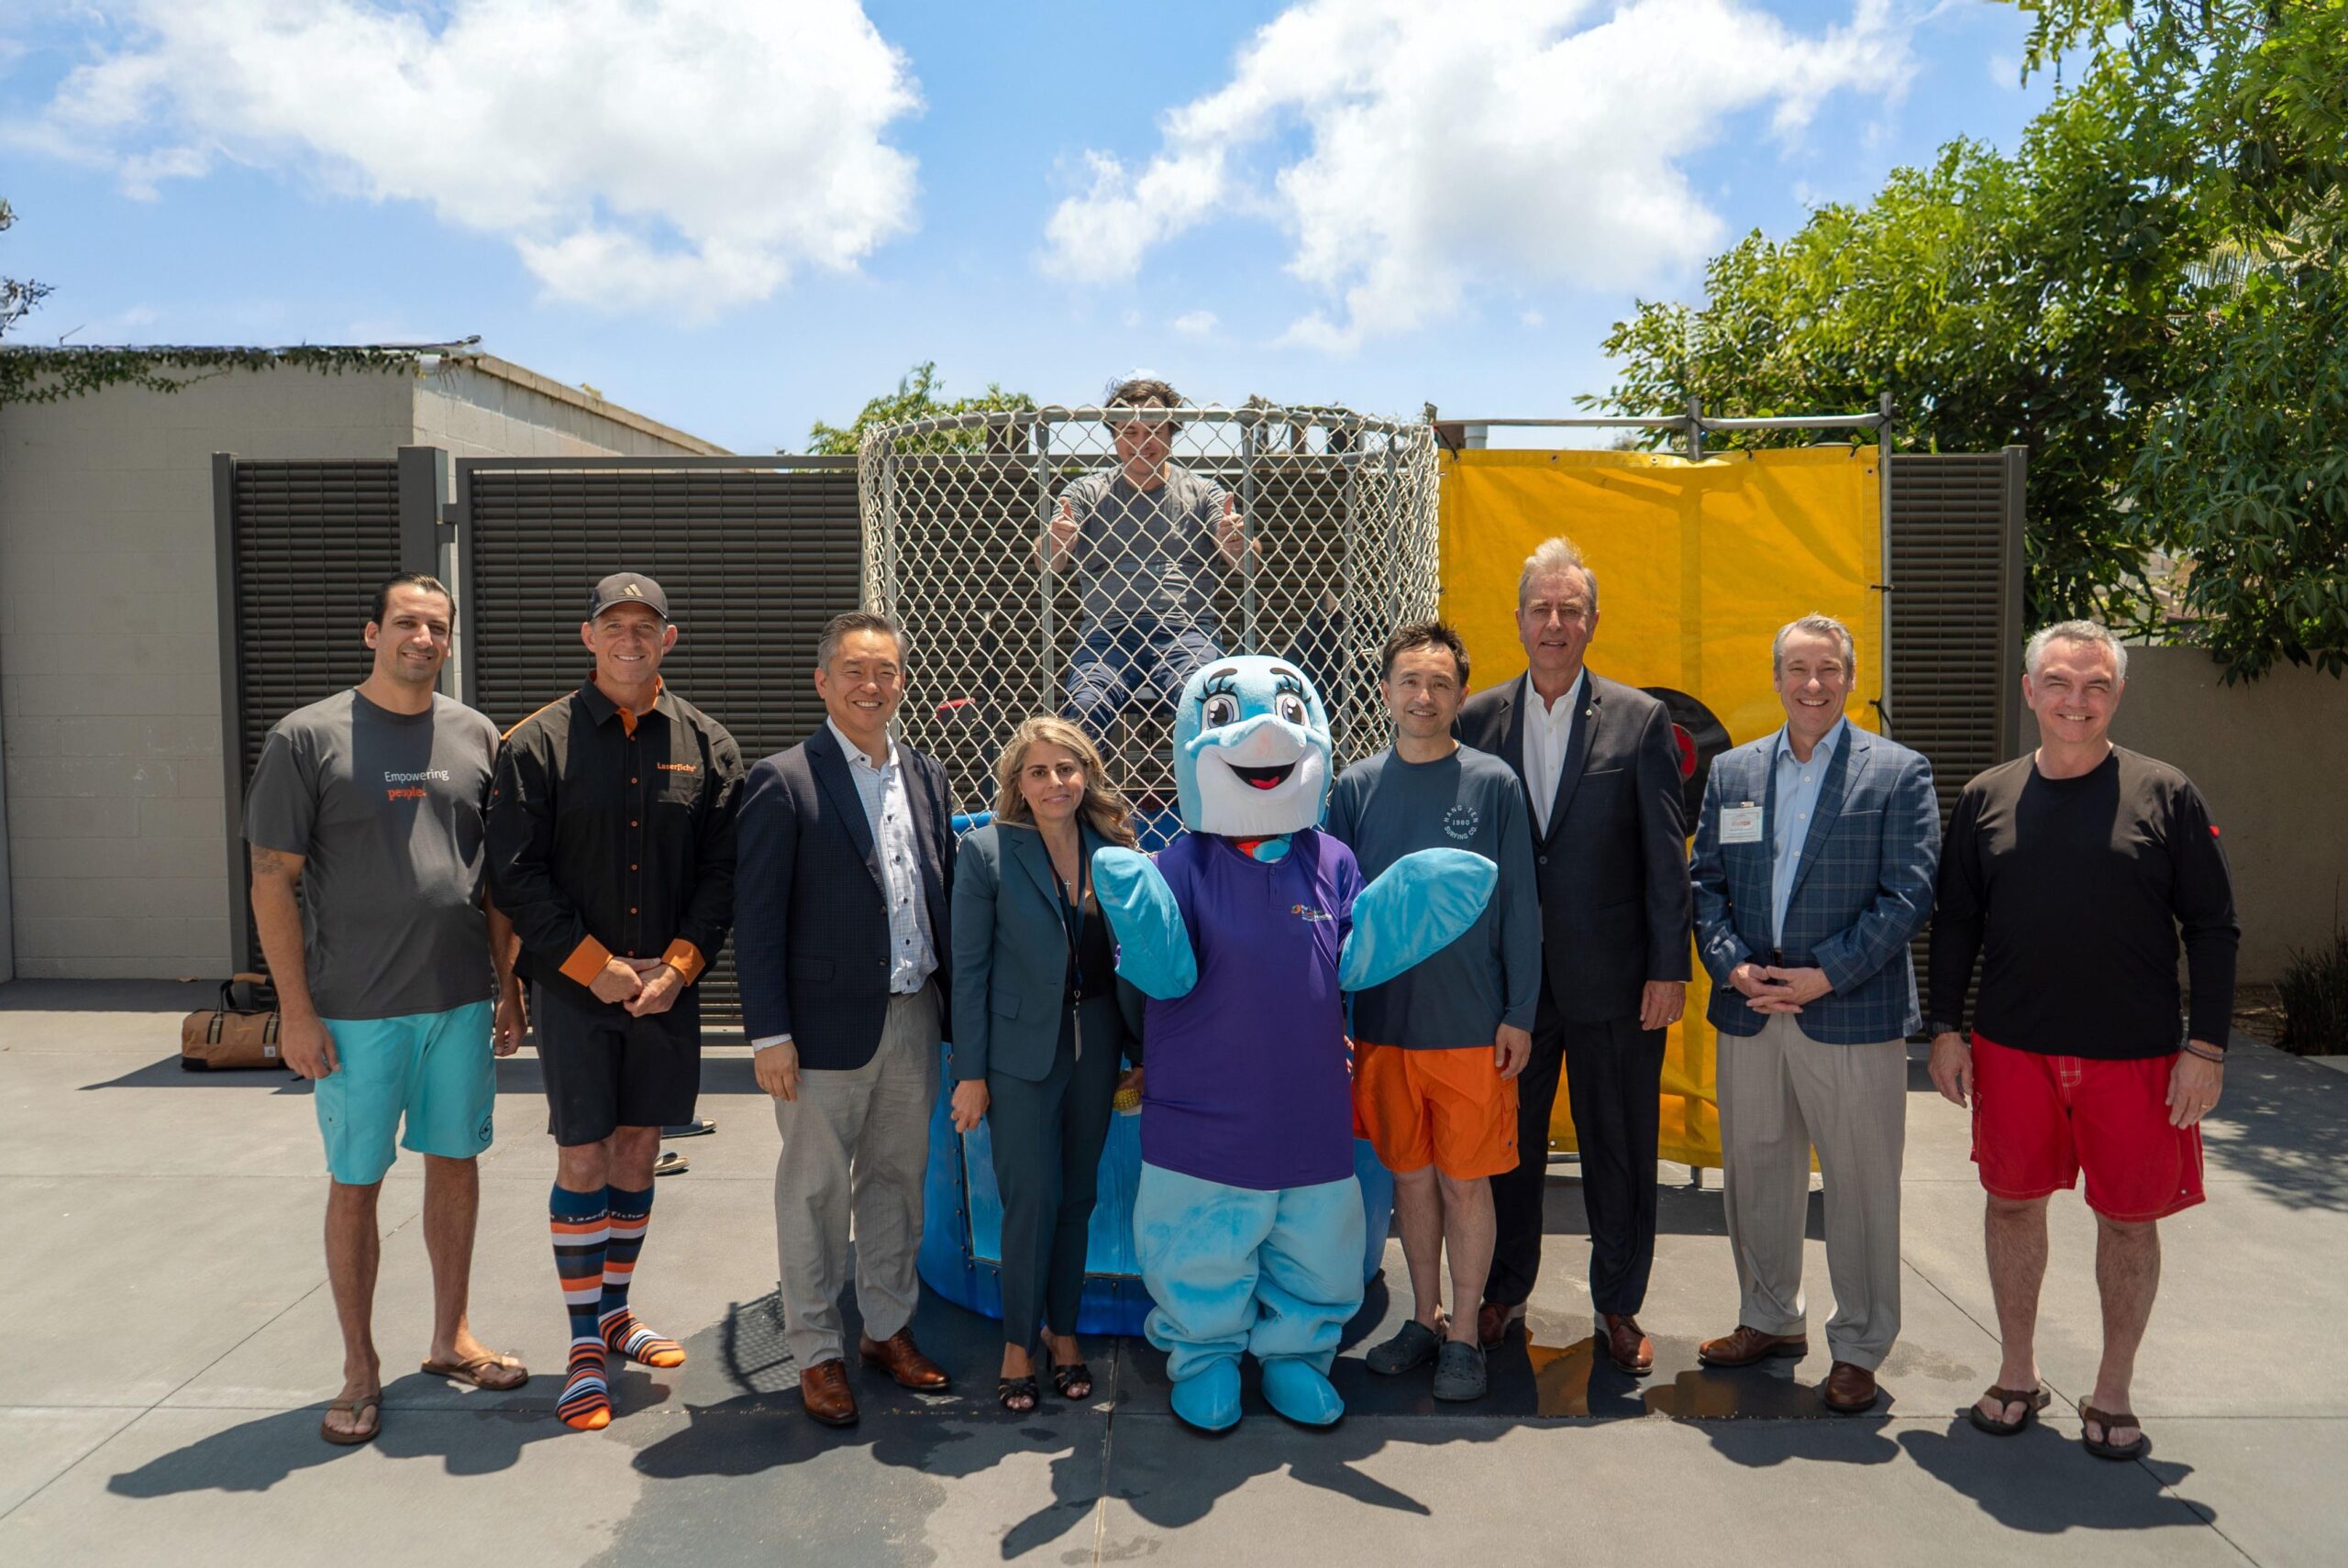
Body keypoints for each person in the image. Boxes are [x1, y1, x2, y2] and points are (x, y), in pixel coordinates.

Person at [1927, 621, 2237, 1460]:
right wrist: (1945, 1028)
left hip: (2135, 1058)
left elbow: (2213, 927)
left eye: (2095, 685)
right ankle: (2017, 1372)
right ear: (2029, 691)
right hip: (2013, 1049)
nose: (2077, 700)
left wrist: (2205, 1048)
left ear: (2117, 695)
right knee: (2012, 1204)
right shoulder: (1987, 796)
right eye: (2059, 683)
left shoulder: (2166, 793)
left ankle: (2112, 1391)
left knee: (2130, 1222)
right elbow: (1957, 921)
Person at [245, 572, 528, 1446]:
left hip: (456, 1001)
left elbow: (494, 884)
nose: (423, 638)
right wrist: (295, 1011)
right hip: (355, 1011)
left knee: (455, 1165)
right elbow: (271, 880)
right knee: (357, 1183)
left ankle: (450, 1338)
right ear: (372, 632)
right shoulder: (306, 737)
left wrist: (508, 986)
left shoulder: (476, 734)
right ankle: (359, 1368)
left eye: (437, 627)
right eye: (406, 622)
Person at [486, 572, 742, 1432]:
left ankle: (619, 1314)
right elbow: (514, 877)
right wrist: (593, 966)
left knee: (638, 1151)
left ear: (669, 639)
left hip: (666, 991)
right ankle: (582, 1348)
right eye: (614, 624)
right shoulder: (536, 745)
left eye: (647, 625)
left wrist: (676, 967)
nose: (630, 638)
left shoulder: (708, 744)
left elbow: (721, 878)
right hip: (577, 991)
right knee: (584, 1159)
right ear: (587, 635)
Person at [1688, 613, 1939, 1414]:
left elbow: (1910, 894)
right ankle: (1768, 1318)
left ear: (1850, 676)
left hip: (1849, 1013)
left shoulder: (1896, 773)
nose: (1813, 684)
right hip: (1755, 1009)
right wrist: (1733, 965)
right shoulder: (1733, 774)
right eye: (1797, 668)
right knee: (1758, 1172)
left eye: (1828, 668)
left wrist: (1824, 976)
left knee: (1861, 1185)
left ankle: (1861, 1344)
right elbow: (1706, 885)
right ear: (1776, 678)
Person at [1456, 536, 1690, 1373]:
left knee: (1619, 1146)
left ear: (1593, 621)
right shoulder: (1476, 719)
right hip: (1510, 988)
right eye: (1541, 608)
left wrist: (1671, 967)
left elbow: (1667, 854)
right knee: (1508, 1147)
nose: (1555, 623)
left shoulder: (1640, 719)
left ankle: (1618, 1306)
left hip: (1620, 982)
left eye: (1571, 610)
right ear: (1518, 618)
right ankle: (1504, 1292)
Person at [734, 611, 958, 1428]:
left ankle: (887, 1331)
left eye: (888, 671)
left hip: (912, 1018)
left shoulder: (927, 776)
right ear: (823, 681)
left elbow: (940, 898)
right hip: (819, 1036)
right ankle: (817, 1352)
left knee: (899, 1186)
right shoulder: (783, 779)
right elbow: (755, 919)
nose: (873, 685)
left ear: (903, 682)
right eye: (856, 671)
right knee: (816, 1197)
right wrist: (769, 1036)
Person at [1329, 622, 1541, 1402]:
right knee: (1410, 1183)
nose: (1424, 696)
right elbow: (1335, 915)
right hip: (1384, 1030)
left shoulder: (1492, 785)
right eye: (1410, 682)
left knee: (1465, 1185)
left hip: (1471, 1030)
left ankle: (1464, 1338)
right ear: (1385, 691)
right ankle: (1423, 1319)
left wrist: (1519, 1011)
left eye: (1441, 684)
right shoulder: (1352, 790)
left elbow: (1520, 905)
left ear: (1460, 696)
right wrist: (1337, 1021)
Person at [947, 717, 1142, 1412]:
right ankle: (1016, 1344)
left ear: (1085, 774)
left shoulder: (1115, 851)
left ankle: (1064, 1335)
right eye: (1039, 771)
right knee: (1031, 1201)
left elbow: (1136, 964)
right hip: (1016, 1058)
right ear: (1018, 786)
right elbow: (968, 973)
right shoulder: (987, 853)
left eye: (1067, 768)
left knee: (1078, 1198)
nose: (1055, 782)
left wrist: (1139, 1055)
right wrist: (971, 1074)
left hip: (1097, 1048)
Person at [1046, 377, 1249, 745]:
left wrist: (1233, 542)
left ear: (1172, 431)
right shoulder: (1086, 491)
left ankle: (1214, 802)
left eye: (1154, 429)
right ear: (1113, 434)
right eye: (1130, 431)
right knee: (1084, 708)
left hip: (1186, 631)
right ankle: (1085, 803)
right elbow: (1050, 561)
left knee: (1211, 705)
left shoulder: (1202, 491)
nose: (1142, 443)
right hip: (1106, 632)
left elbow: (1245, 560)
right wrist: (1057, 540)